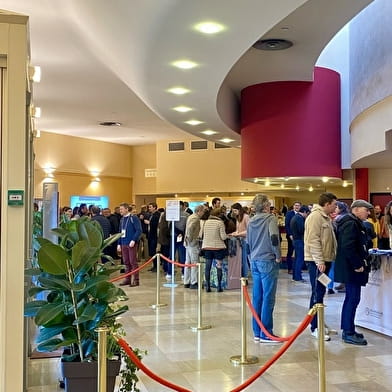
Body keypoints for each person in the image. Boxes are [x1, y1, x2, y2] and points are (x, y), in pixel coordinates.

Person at [335, 199, 373, 346]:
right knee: (352, 299)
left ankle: (349, 328)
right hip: (351, 269)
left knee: (353, 299)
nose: (368, 212)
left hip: (351, 268)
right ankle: (348, 332)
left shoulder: (354, 222)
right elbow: (348, 246)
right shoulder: (351, 223)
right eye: (366, 209)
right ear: (356, 209)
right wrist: (357, 264)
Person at [247, 194, 281, 344]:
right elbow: (274, 237)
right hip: (267, 260)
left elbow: (247, 242)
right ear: (266, 206)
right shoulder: (270, 219)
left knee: (257, 297)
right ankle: (266, 332)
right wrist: (278, 255)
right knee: (268, 297)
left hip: (254, 260)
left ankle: (257, 331)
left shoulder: (251, 221)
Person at [304, 192, 337, 341]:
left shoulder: (326, 218)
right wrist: (319, 261)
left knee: (321, 290)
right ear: (327, 203)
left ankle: (320, 322)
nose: (336, 207)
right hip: (316, 262)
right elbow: (313, 240)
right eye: (334, 204)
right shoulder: (315, 217)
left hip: (326, 260)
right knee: (317, 292)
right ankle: (314, 327)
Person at [201, 207, 227, 292]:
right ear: (219, 215)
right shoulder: (220, 223)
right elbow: (223, 237)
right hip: (218, 248)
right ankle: (219, 286)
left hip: (207, 247)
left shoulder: (205, 222)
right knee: (219, 267)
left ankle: (208, 286)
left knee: (207, 267)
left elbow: (201, 235)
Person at [117, 203, 142, 286]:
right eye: (120, 209)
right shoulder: (122, 219)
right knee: (126, 262)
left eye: (122, 209)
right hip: (123, 243)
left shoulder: (133, 218)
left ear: (127, 209)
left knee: (133, 262)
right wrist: (119, 243)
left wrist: (133, 240)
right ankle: (127, 279)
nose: (120, 211)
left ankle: (136, 280)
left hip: (131, 243)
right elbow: (120, 232)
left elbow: (138, 230)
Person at [183, 205, 205, 289]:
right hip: (192, 243)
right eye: (203, 211)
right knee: (194, 262)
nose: (203, 213)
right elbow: (190, 228)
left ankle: (187, 281)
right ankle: (194, 282)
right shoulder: (196, 219)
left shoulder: (190, 216)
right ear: (199, 211)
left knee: (188, 262)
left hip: (188, 243)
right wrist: (191, 239)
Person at [230, 202, 250, 278]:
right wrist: (234, 233)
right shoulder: (238, 218)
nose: (234, 213)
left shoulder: (246, 217)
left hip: (245, 241)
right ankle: (241, 276)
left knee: (244, 260)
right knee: (240, 260)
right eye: (233, 211)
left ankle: (245, 277)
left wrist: (238, 234)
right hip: (239, 241)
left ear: (239, 209)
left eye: (235, 211)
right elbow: (238, 230)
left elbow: (249, 230)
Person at [290, 205, 310, 282]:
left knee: (296, 258)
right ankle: (298, 277)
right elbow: (302, 230)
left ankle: (295, 276)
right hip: (299, 240)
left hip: (295, 240)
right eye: (307, 213)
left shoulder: (295, 217)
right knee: (300, 259)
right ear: (304, 212)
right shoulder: (299, 218)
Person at [284, 201, 301, 274]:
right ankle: (289, 268)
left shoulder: (301, 214)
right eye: (295, 205)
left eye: (298, 205)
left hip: (299, 237)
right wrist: (290, 234)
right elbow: (287, 225)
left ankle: (297, 269)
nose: (297, 207)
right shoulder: (289, 213)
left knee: (298, 253)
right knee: (290, 252)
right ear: (293, 206)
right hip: (290, 236)